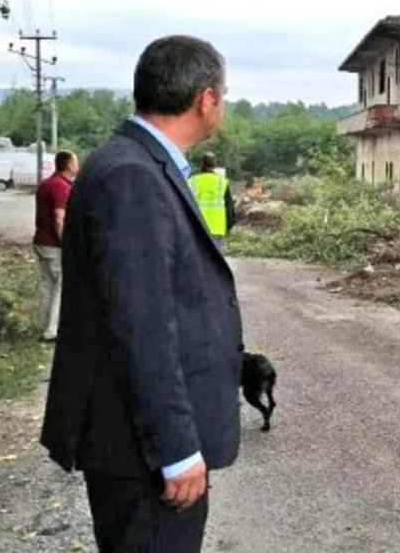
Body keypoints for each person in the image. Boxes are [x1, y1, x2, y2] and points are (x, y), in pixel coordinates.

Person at [40, 35, 242, 553]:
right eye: (222, 94)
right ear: (206, 98)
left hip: (136, 446)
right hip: (140, 453)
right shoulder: (132, 175)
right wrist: (175, 449)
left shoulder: (136, 165)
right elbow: (141, 326)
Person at [32, 150, 78, 342]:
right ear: (68, 164)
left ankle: (44, 325)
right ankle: (53, 330)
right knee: (62, 288)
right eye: (75, 161)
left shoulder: (47, 184)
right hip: (54, 245)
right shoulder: (61, 187)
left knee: (48, 286)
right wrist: (66, 243)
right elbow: (60, 219)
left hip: (41, 242)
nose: (78, 164)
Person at [187, 152, 234, 250]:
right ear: (214, 165)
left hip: (197, 227)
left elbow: (185, 203)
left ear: (201, 164)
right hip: (217, 227)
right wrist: (229, 225)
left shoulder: (192, 181)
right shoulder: (222, 182)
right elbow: (229, 206)